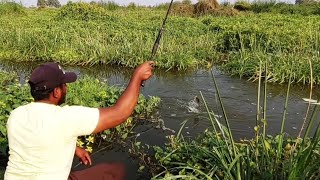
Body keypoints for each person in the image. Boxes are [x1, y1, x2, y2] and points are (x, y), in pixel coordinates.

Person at [4, 61, 154, 180]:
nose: (66, 88)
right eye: (64, 85)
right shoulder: (66, 117)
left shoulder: (16, 115)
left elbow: (41, 134)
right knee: (115, 171)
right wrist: (137, 77)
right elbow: (120, 113)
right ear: (56, 92)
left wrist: (75, 148)